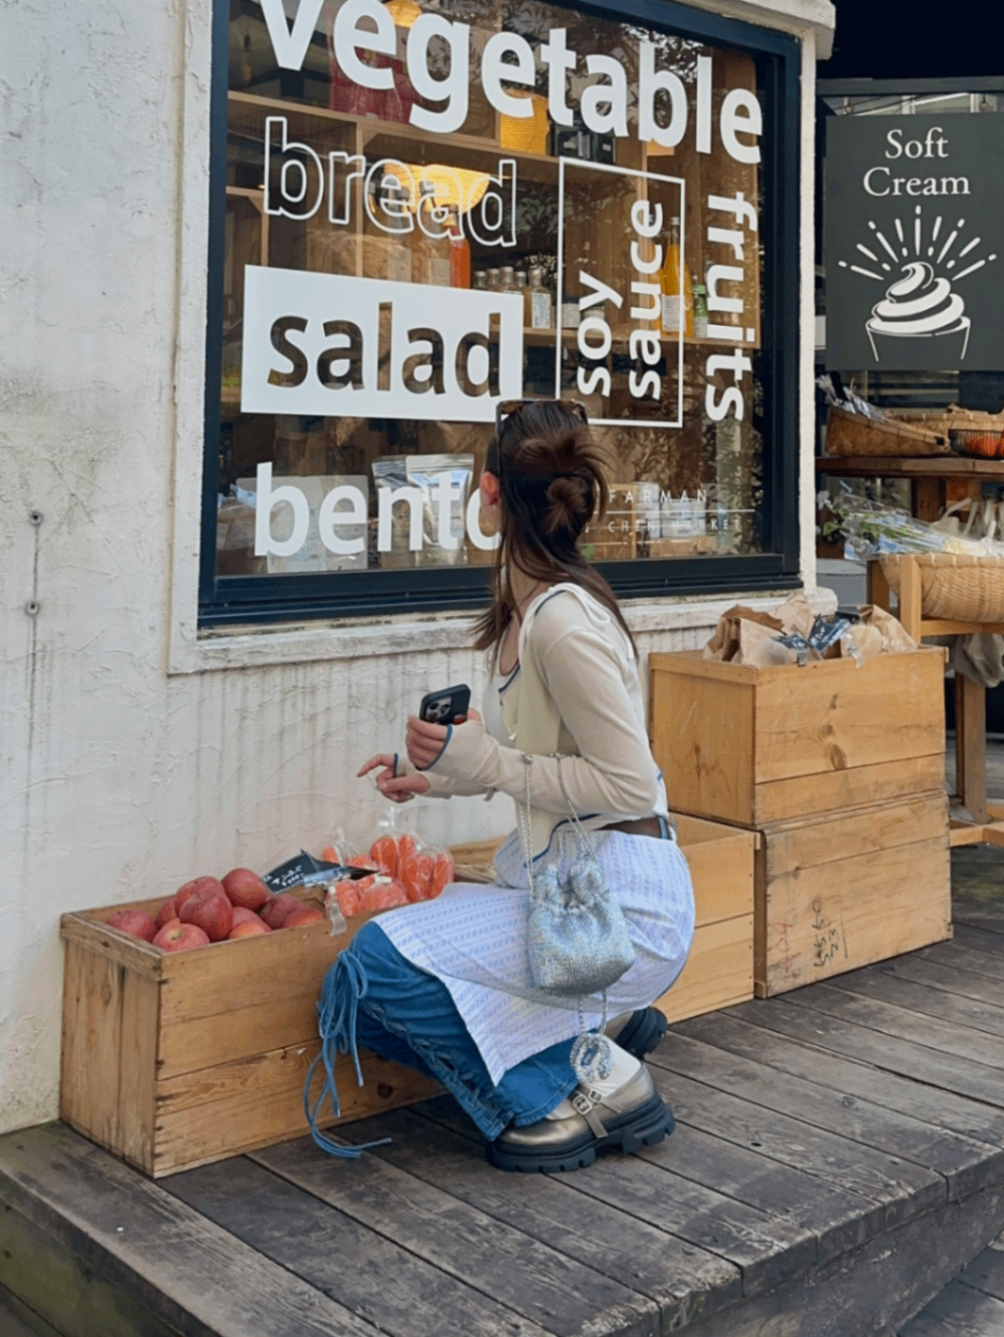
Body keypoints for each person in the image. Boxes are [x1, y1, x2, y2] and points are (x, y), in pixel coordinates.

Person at [313, 399, 695, 1174]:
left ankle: (574, 1083)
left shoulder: (561, 621)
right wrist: (440, 773)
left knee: (374, 968)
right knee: (360, 990)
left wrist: (480, 763)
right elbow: (534, 763)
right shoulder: (528, 610)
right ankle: (596, 1031)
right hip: (569, 892)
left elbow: (627, 782)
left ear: (489, 493)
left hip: (622, 904)